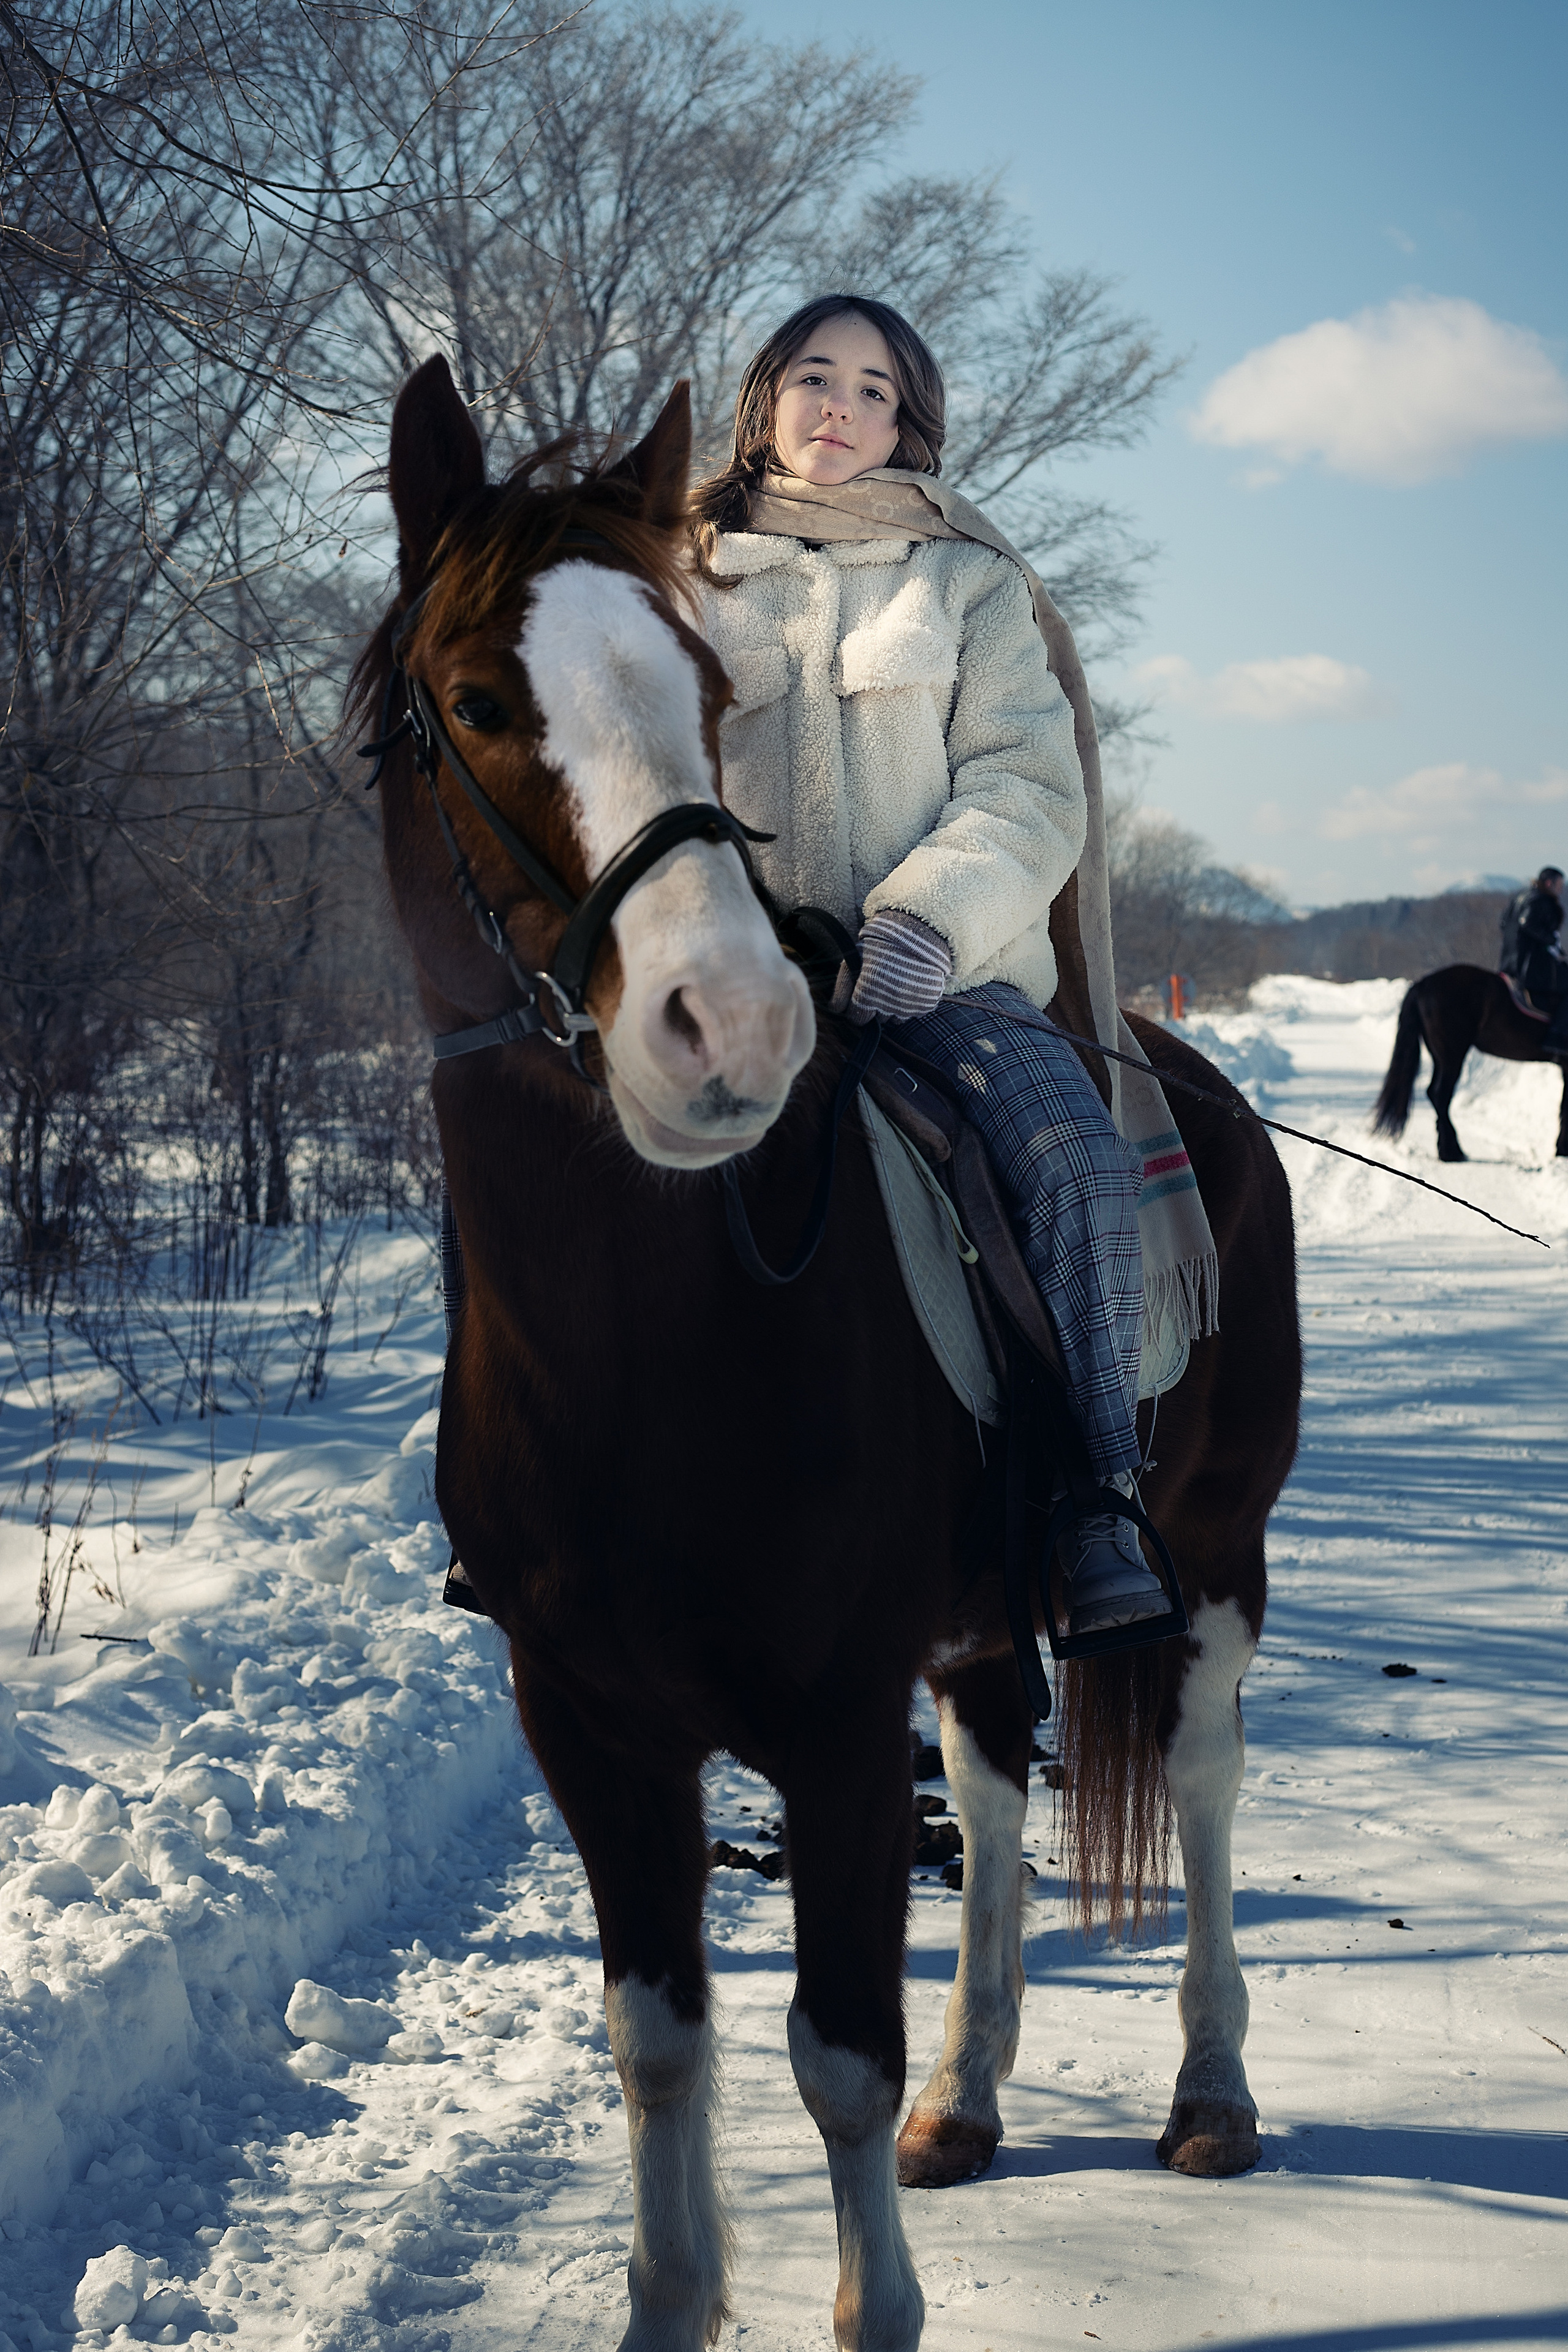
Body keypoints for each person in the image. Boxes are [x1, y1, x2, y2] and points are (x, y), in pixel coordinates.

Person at [688, 294, 1169, 1635]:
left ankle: (1096, 1495)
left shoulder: (966, 581)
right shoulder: (679, 576)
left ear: (909, 425)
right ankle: (517, 1498)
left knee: (1076, 1161)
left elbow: (1026, 785)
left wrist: (925, 921)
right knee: (526, 1131)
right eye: (815, 377)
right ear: (764, 398)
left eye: (875, 390)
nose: (840, 407)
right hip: (731, 980)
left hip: (940, 981)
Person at [1506, 867, 1568, 1047]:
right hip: (1531, 966)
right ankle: (1556, 1035)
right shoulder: (1541, 900)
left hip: (1510, 962)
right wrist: (1550, 940)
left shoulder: (1520, 897)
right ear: (1549, 883)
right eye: (1559, 885)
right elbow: (1527, 923)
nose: (1561, 889)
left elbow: (1504, 924)